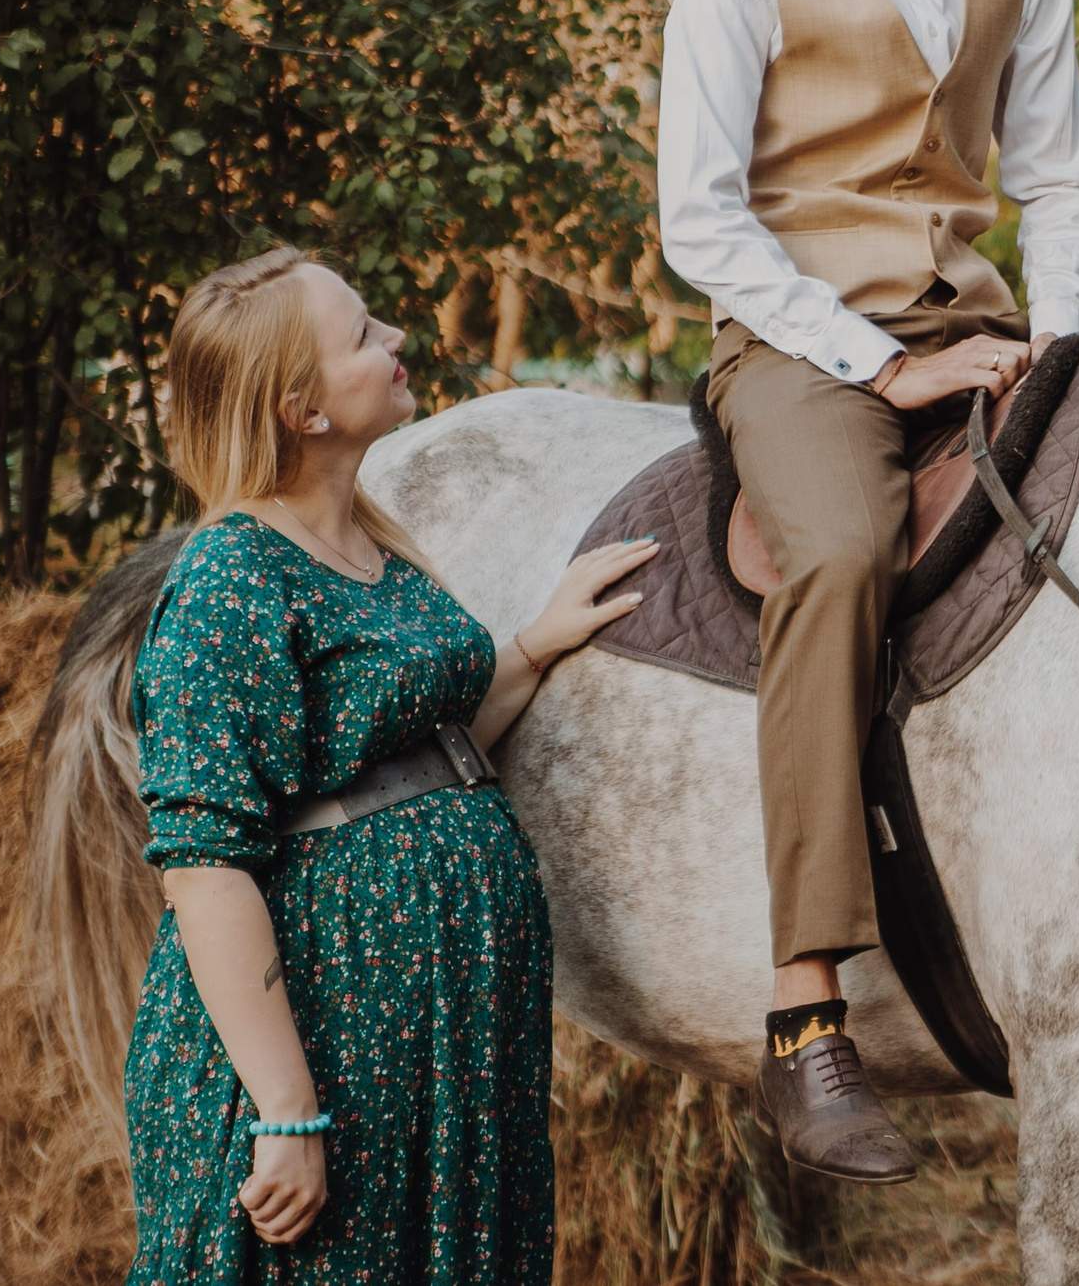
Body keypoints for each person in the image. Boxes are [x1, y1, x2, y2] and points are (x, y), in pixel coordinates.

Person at [655, 0, 1079, 1182]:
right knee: (843, 550)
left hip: (977, 321)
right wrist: (876, 364)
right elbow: (699, 223)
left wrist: (1073, 358)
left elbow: (1056, 178)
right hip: (793, 338)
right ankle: (806, 1019)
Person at [95, 247, 658, 1279]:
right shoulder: (232, 573)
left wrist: (533, 644)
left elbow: (394, 771)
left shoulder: (373, 544)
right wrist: (287, 1112)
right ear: (301, 408)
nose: (397, 339)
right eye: (363, 335)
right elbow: (203, 862)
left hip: (436, 1036)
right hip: (325, 1031)